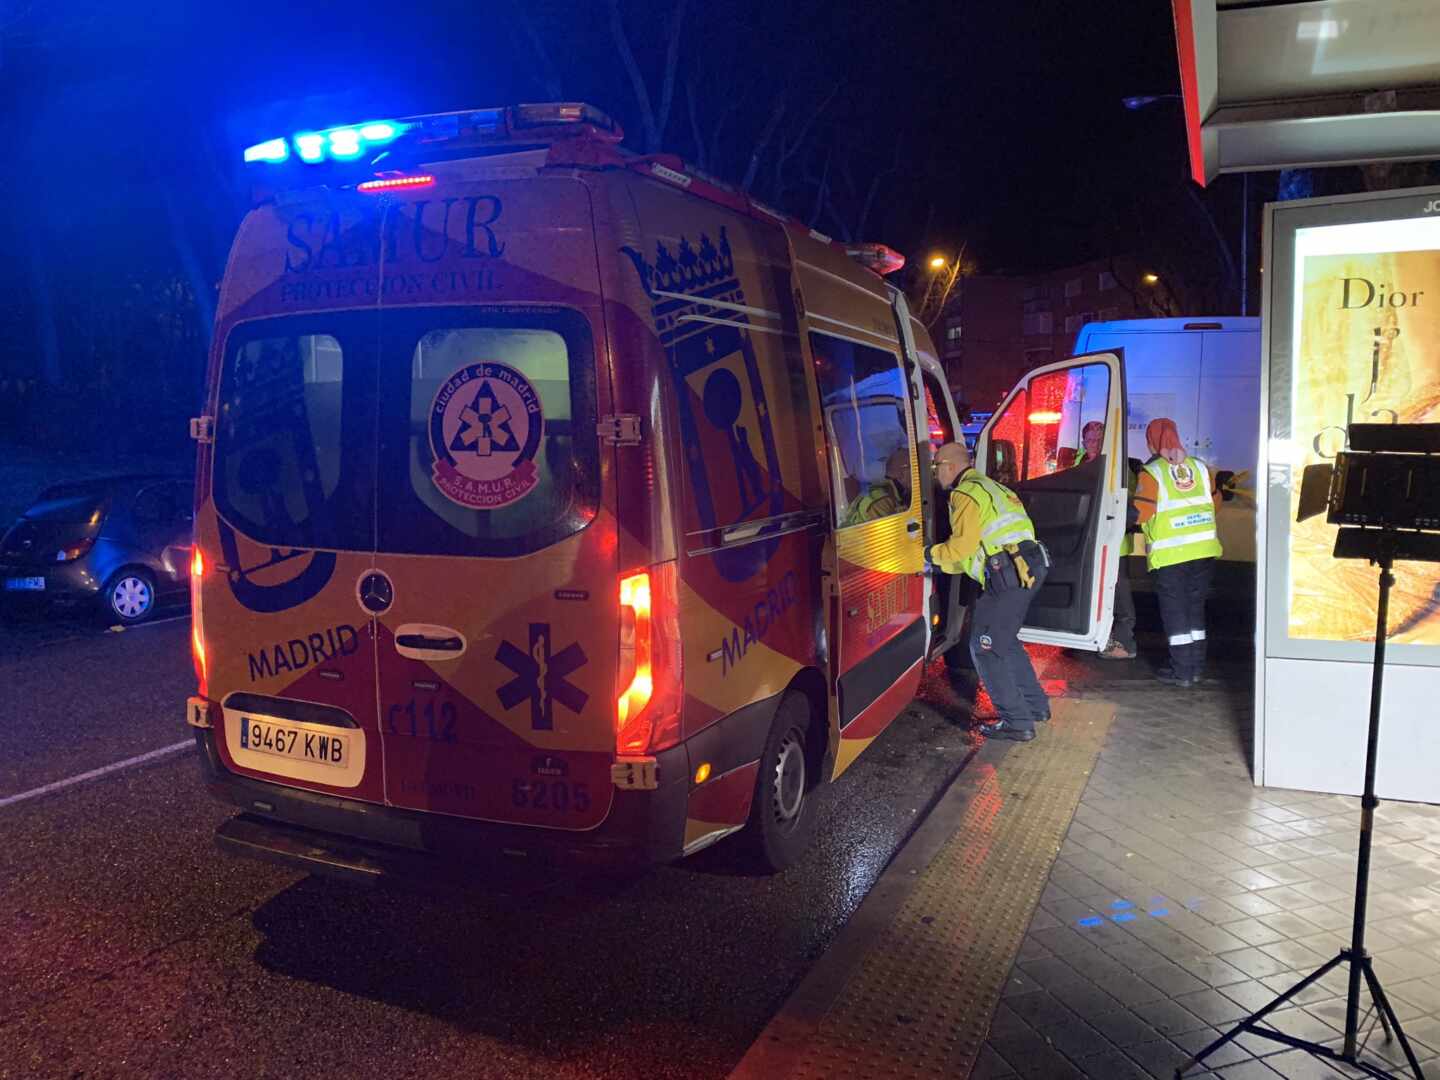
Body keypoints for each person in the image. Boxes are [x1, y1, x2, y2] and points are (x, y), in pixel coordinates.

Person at [928, 441, 1050, 742]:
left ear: (951, 467)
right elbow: (971, 554)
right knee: (1005, 642)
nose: (934, 474)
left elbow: (962, 547)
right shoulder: (992, 488)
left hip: (1005, 573)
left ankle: (1017, 722)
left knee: (984, 647)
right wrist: (943, 565)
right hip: (1029, 564)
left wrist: (928, 555)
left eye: (935, 467)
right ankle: (1036, 707)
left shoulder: (963, 494)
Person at [1132, 418, 1222, 686]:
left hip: (1171, 555)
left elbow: (1142, 512)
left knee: (1176, 614)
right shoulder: (1200, 467)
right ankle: (1195, 668)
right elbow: (1215, 505)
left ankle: (1181, 671)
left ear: (1151, 442)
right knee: (1195, 611)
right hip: (1204, 551)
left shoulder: (1152, 472)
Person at [844, 447, 910, 525]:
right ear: (902, 473)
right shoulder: (880, 503)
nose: (919, 473)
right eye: (914, 467)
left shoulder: (895, 493)